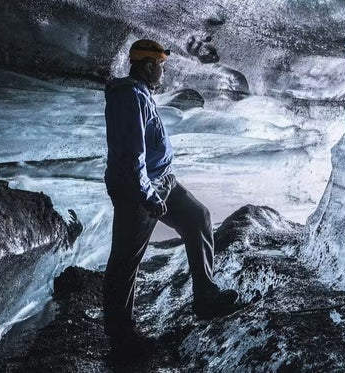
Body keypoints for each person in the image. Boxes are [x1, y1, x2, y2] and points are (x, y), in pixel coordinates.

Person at [102, 39, 241, 354]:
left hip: (162, 180)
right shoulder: (128, 97)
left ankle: (205, 299)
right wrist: (147, 195)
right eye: (161, 65)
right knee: (126, 259)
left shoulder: (140, 94)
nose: (163, 71)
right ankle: (121, 336)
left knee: (198, 216)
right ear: (149, 66)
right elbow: (131, 154)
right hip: (138, 187)